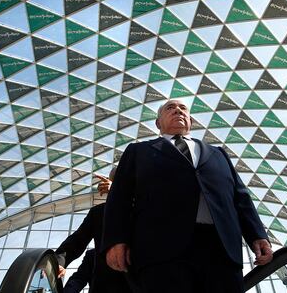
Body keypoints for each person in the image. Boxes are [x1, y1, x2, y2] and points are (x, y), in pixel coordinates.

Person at [102, 99, 273, 293]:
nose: (177, 111)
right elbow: (119, 198)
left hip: (221, 250)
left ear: (190, 120)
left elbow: (240, 197)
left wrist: (257, 235)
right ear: (158, 123)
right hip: (161, 250)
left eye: (183, 108)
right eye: (170, 108)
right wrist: (116, 240)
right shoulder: (138, 151)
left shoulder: (218, 154)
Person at [55, 167, 132, 293]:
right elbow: (77, 240)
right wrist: (59, 262)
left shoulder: (144, 210)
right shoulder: (98, 213)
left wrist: (117, 194)